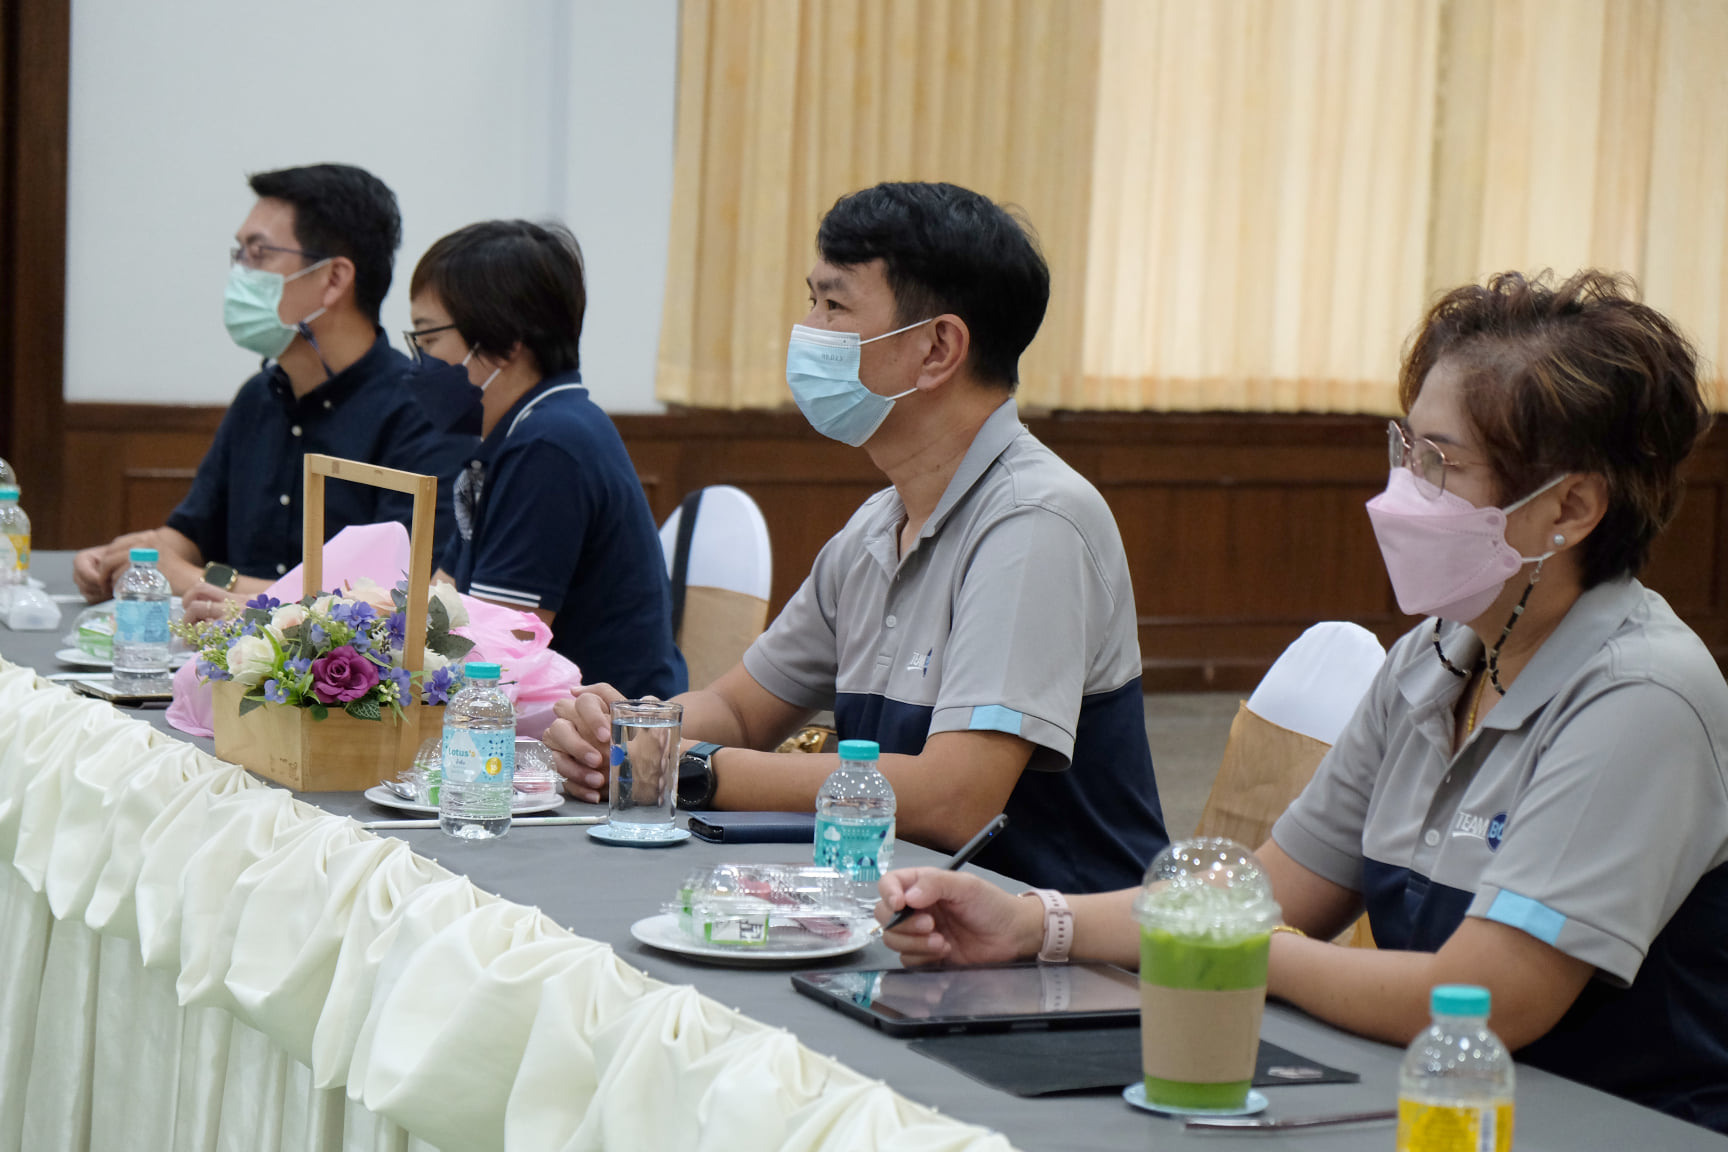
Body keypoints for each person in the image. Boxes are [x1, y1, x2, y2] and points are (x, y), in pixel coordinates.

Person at [875, 270, 1728, 1132]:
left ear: (1570, 508)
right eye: (1405, 451)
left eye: (1442, 463)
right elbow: (1263, 894)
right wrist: (1027, 924)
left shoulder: (1641, 698)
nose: (1403, 490)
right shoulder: (1434, 659)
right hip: (1432, 1109)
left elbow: (1480, 1000)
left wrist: (1245, 949)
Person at [545, 182, 1169, 893]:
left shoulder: (1036, 522)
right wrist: (624, 734)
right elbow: (745, 709)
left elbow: (953, 800)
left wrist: (687, 768)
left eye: (834, 305)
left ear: (938, 348)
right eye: (812, 300)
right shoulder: (878, 526)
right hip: (908, 918)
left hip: (1056, 952)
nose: (808, 329)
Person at [74, 163, 472, 606]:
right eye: (239, 253)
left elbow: (385, 603)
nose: (240, 273)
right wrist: (134, 559)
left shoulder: (420, 413)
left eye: (258, 254)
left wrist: (192, 578)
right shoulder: (258, 396)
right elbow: (189, 531)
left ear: (334, 278)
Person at [408, 219, 686, 700]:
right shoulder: (520, 434)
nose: (419, 360)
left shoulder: (550, 447)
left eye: (429, 339)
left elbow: (497, 654)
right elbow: (442, 601)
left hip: (602, 742)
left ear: (506, 340)